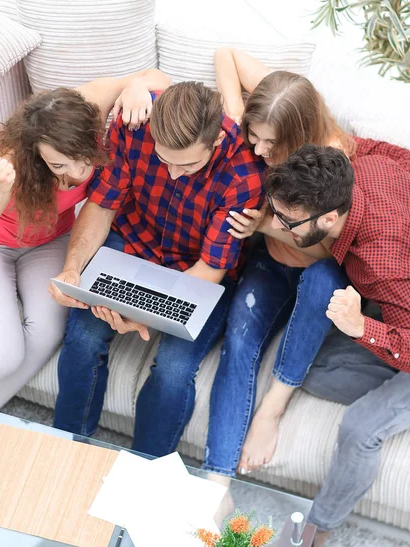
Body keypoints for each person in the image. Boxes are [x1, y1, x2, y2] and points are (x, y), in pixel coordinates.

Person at [0, 68, 172, 468]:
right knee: (2, 354)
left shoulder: (90, 105)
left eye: (79, 161)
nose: (74, 175)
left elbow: (156, 77)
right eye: (57, 167)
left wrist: (139, 86)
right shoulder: (10, 161)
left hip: (50, 242)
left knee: (48, 333)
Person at [267, 143, 410, 546]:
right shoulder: (365, 167)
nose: (280, 225)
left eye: (289, 221)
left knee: (360, 428)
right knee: (310, 370)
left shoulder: (382, 262)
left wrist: (359, 328)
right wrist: (351, 145)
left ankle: (314, 534)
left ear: (330, 217)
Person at [50, 81, 266, 456]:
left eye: (187, 163)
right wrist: (73, 269)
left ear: (215, 142)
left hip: (198, 270)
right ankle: (67, 451)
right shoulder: (134, 124)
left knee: (174, 370)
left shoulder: (244, 174)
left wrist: (141, 314)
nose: (174, 173)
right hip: (134, 239)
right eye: (164, 159)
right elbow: (101, 206)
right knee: (83, 339)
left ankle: (147, 468)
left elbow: (211, 268)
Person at [203, 48, 354, 483]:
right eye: (256, 136)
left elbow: (329, 250)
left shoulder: (332, 163)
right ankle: (217, 483)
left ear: (300, 134)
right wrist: (236, 117)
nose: (258, 149)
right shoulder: (282, 102)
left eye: (271, 143)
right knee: (239, 341)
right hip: (270, 263)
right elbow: (226, 54)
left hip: (317, 267)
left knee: (325, 280)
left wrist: (264, 226)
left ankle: (272, 410)